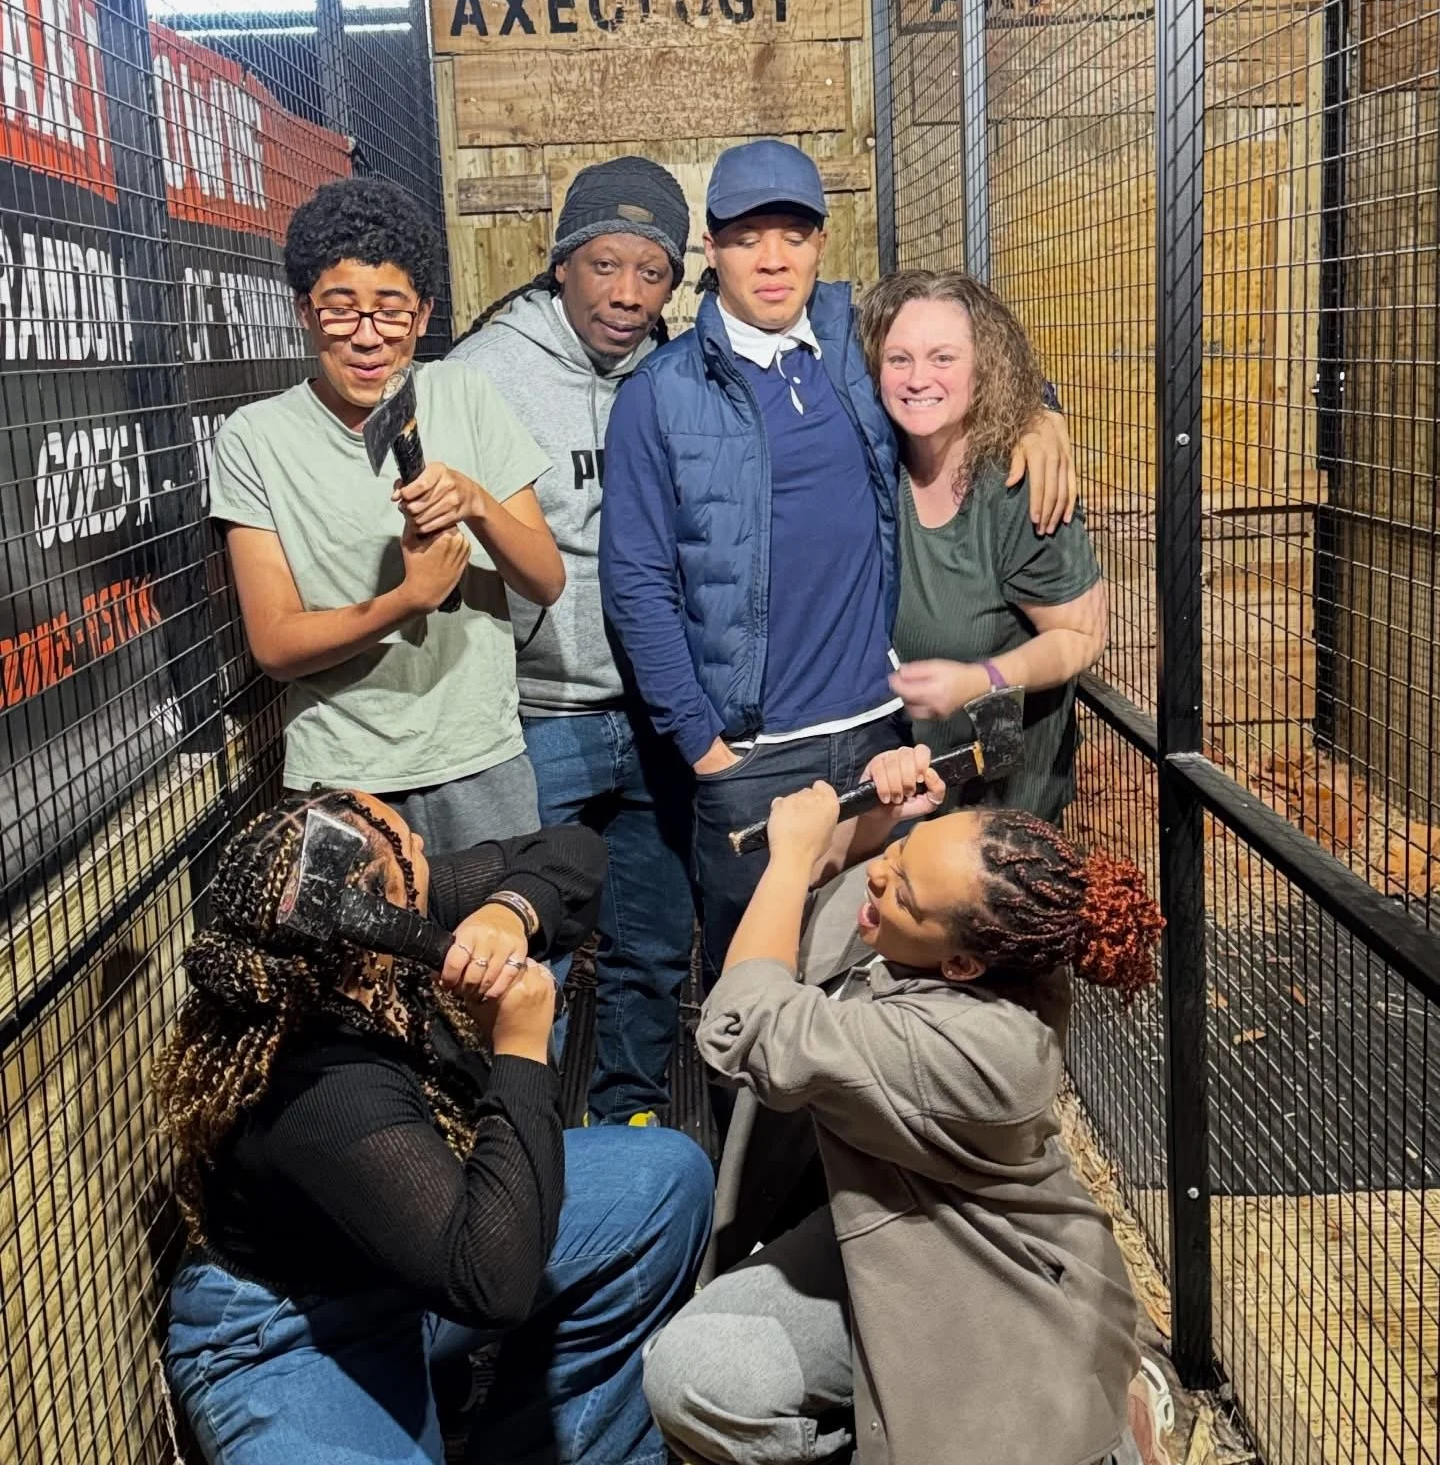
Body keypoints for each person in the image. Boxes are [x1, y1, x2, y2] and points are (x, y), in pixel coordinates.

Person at [643, 748, 1190, 1465]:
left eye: (903, 885)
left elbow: (744, 1023)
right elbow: (831, 893)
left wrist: (791, 857)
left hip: (1006, 1325)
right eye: (901, 854)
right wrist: (875, 827)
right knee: (695, 1375)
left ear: (964, 964)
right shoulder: (937, 937)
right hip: (891, 1249)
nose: (882, 879)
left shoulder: (983, 1053)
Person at [157, 790, 713, 1465]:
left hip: (411, 1259)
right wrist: (521, 1051)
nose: (426, 854)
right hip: (297, 1330)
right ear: (373, 912)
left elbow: (576, 855)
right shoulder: (325, 1088)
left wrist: (507, 909)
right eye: (412, 853)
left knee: (662, 1177)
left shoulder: (352, 937)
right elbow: (491, 1283)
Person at [599, 140, 1075, 987]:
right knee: (756, 998)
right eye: (747, 238)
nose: (772, 259)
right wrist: (705, 748)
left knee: (888, 981)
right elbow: (636, 585)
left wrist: (1041, 411)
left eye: (794, 235)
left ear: (822, 242)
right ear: (711, 248)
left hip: (882, 741)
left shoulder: (857, 342)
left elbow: (958, 360)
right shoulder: (659, 394)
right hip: (754, 756)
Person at [447, 158, 696, 1126]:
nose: (627, 293)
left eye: (652, 272)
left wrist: (1038, 404)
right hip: (534, 714)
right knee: (523, 948)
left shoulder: (679, 371)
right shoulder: (481, 374)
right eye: (604, 264)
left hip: (655, 714)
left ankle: (628, 1121)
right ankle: (520, 1140)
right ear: (560, 265)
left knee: (653, 941)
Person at [209, 177, 564, 854]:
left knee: (497, 922)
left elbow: (546, 580)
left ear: (423, 315)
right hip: (345, 774)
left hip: (479, 757)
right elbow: (275, 646)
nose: (368, 338)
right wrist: (408, 600)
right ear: (305, 312)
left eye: (391, 311)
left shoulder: (464, 393)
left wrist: (476, 502)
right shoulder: (255, 438)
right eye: (340, 311)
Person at [861, 269, 1107, 822]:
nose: (918, 378)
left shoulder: (1015, 485)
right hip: (897, 805)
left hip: (999, 817)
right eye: (899, 359)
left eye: (943, 358)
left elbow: (1082, 634)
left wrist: (982, 680)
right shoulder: (875, 470)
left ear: (984, 367)